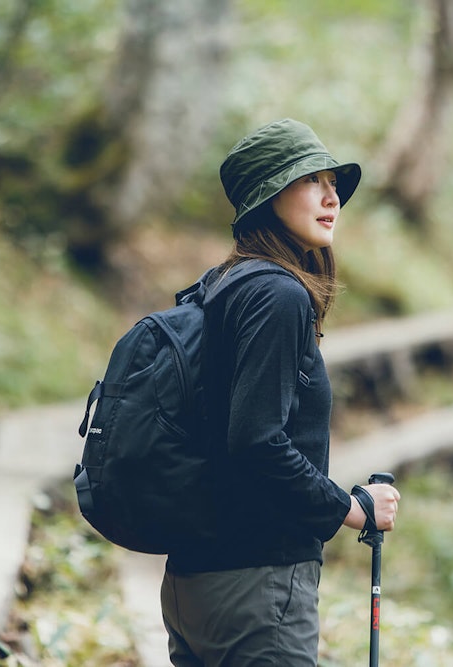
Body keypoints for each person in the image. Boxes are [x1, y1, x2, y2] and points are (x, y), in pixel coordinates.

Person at [160, 118, 401, 666]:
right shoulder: (277, 296)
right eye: (310, 181)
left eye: (333, 182)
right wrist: (349, 508)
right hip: (257, 587)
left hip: (195, 579)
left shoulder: (222, 286)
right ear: (268, 199)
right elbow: (256, 441)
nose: (331, 197)